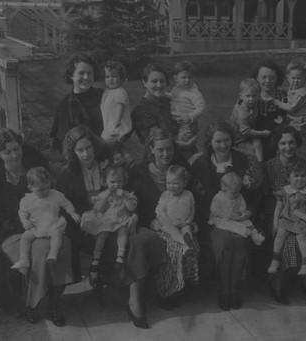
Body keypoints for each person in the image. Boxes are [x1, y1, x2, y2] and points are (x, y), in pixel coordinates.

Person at [57, 126, 166, 329]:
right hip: (92, 229)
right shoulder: (68, 176)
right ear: (73, 152)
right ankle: (134, 302)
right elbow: (69, 214)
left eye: (88, 147)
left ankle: (135, 296)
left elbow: (131, 194)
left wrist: (134, 215)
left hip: (121, 218)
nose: (86, 154)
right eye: (80, 150)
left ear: (94, 146)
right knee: (132, 244)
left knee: (144, 238)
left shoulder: (109, 166)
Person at [0, 128, 73, 326]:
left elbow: (53, 195)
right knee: (42, 250)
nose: (14, 154)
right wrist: (26, 225)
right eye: (7, 152)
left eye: (16, 148)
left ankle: (54, 301)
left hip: (46, 226)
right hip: (10, 233)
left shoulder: (35, 168)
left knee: (64, 244)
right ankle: (34, 301)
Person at [190, 120, 263, 311]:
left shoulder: (244, 161)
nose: (223, 146)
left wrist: (248, 211)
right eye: (218, 141)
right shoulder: (200, 164)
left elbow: (258, 194)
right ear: (209, 142)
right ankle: (224, 289)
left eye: (227, 140)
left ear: (232, 140)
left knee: (238, 240)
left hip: (240, 216)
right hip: (213, 220)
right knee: (225, 242)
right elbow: (196, 199)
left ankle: (234, 288)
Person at [127, 128, 199, 312]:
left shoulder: (181, 168)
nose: (166, 153)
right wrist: (151, 221)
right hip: (152, 223)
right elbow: (135, 204)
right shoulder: (139, 172)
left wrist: (190, 221)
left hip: (181, 222)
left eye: (169, 148)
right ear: (151, 149)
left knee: (189, 245)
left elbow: (192, 197)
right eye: (160, 149)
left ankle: (182, 286)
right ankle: (166, 291)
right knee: (172, 246)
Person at [263, 125, 306, 304]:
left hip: (302, 213)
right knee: (285, 241)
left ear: (297, 143)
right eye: (283, 143)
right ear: (277, 145)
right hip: (278, 213)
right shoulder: (270, 166)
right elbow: (266, 197)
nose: (288, 147)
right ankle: (277, 287)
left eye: (291, 142)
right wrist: (275, 219)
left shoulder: (304, 164)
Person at [12, 167, 79, 269]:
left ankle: (53, 253)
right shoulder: (27, 200)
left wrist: (73, 213)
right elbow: (22, 213)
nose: (46, 191)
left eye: (48, 187)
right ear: (30, 188)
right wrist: (25, 221)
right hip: (37, 225)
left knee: (57, 234)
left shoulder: (56, 194)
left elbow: (66, 203)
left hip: (53, 223)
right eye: (41, 189)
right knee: (25, 238)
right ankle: (24, 259)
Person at [81, 164, 138, 281]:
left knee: (123, 232)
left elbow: (132, 208)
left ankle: (120, 257)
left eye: (119, 181)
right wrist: (106, 197)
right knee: (102, 235)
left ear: (124, 181)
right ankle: (96, 259)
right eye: (112, 182)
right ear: (105, 182)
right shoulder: (104, 194)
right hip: (107, 220)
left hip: (121, 219)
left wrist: (125, 197)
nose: (116, 185)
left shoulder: (127, 194)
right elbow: (100, 209)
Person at [267, 160, 306, 276]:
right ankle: (275, 260)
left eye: (303, 176)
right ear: (288, 178)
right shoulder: (285, 191)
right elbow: (278, 208)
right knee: (280, 232)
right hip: (287, 219)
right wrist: (275, 223)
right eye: (296, 176)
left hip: (302, 220)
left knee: (301, 236)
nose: (300, 179)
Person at [50, 53, 104, 151]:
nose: (86, 77)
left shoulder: (103, 96)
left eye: (89, 73)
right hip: (81, 156)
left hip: (105, 150)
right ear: (71, 75)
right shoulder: (65, 105)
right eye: (81, 73)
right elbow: (63, 141)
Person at [209, 172, 264, 246]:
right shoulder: (219, 198)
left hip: (236, 217)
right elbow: (214, 210)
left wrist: (240, 213)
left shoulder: (239, 196)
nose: (236, 195)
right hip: (223, 218)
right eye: (233, 193)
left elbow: (242, 206)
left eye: (238, 192)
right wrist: (225, 214)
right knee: (235, 226)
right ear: (224, 190)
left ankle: (255, 236)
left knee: (248, 223)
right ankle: (243, 232)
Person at [131, 63, 178, 149]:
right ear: (144, 82)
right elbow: (155, 142)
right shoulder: (140, 111)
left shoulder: (168, 102)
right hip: (161, 156)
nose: (159, 85)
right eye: (154, 81)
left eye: (162, 81)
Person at [153, 165, 196, 248]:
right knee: (171, 230)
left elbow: (192, 209)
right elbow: (161, 212)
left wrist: (188, 221)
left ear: (185, 183)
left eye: (175, 183)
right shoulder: (165, 195)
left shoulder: (188, 195)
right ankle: (183, 241)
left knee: (187, 230)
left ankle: (188, 245)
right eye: (168, 183)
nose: (171, 186)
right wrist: (172, 222)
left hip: (184, 223)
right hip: (170, 223)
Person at [251, 59, 287, 151]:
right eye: (263, 77)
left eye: (272, 77)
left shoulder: (285, 97)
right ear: (257, 78)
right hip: (256, 141)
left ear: (277, 78)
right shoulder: (251, 97)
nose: (268, 81)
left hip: (280, 143)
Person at [231, 78, 271, 162]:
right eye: (248, 96)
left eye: (254, 96)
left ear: (259, 95)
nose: (251, 99)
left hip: (250, 135)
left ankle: (261, 164)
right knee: (251, 152)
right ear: (241, 96)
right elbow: (245, 131)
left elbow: (262, 101)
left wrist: (269, 101)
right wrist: (262, 133)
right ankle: (254, 166)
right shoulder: (242, 114)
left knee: (258, 144)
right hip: (239, 138)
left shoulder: (253, 103)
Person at [170, 61, 206, 150]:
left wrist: (190, 116)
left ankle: (188, 153)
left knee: (184, 138)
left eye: (190, 77)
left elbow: (201, 108)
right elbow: (172, 97)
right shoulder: (176, 89)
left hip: (187, 122)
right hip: (175, 119)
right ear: (176, 78)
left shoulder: (194, 93)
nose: (187, 80)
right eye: (184, 77)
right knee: (171, 137)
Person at [273, 58, 306, 132]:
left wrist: (278, 103)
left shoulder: (302, 92)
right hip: (295, 119)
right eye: (293, 78)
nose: (296, 81)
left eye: (299, 78)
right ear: (288, 78)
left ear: (304, 79)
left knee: (293, 135)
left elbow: (291, 107)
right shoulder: (295, 88)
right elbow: (291, 93)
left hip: (301, 123)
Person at [100, 60, 132, 145]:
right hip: (110, 123)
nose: (110, 79)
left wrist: (116, 122)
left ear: (121, 79)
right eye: (107, 77)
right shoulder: (108, 92)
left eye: (114, 76)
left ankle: (117, 155)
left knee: (106, 139)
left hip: (119, 126)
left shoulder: (119, 92)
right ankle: (123, 154)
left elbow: (119, 108)